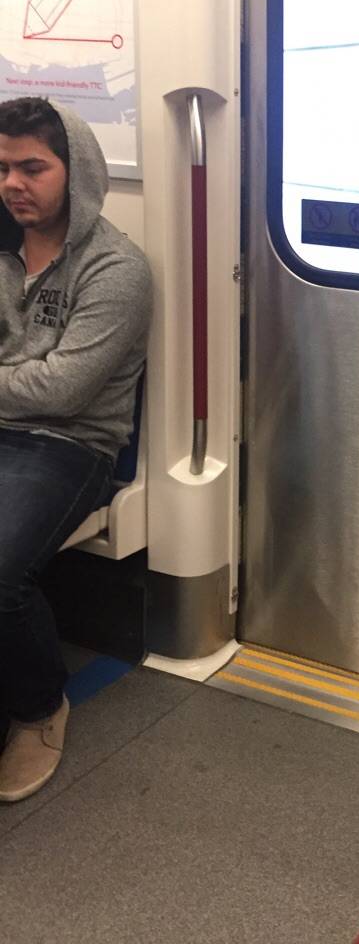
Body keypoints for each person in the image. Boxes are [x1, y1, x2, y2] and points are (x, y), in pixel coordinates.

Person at [0, 97, 151, 802]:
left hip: (69, 444)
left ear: (77, 171)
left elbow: (63, 389)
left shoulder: (116, 269)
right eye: (2, 168)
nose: (12, 184)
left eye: (32, 167)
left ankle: (37, 708)